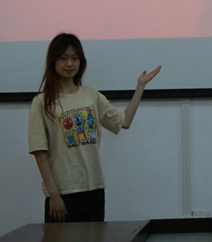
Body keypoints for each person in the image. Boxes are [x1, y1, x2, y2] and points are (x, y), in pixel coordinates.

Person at [28, 33, 161, 223]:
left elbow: (124, 122)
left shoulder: (91, 94)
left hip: (94, 189)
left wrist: (140, 87)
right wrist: (53, 195)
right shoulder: (42, 102)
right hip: (63, 193)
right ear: (53, 61)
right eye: (63, 58)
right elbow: (39, 151)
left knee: (95, 237)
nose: (69, 63)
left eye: (75, 58)